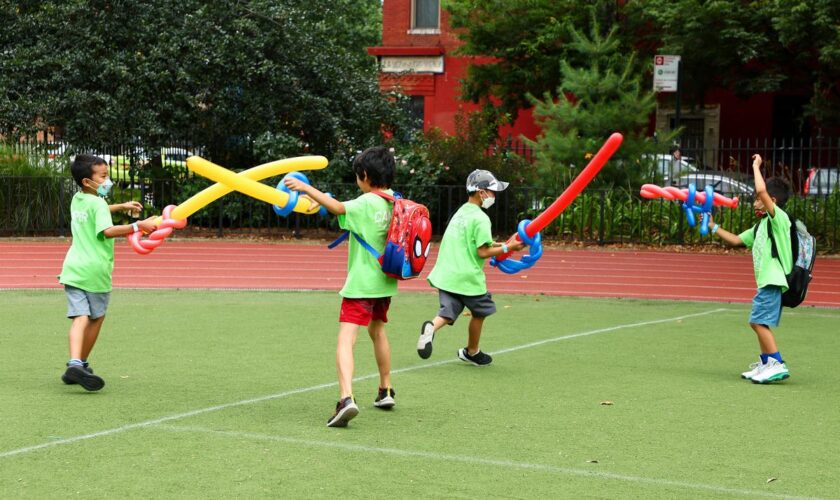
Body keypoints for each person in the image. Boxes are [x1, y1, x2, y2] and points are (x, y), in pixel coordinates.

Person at [284, 146, 398, 427]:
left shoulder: (365, 203)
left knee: (346, 338)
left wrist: (305, 189)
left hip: (362, 283)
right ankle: (385, 389)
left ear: (365, 176)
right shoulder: (394, 201)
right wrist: (322, 201)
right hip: (385, 282)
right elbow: (339, 206)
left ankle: (346, 398)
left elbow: (339, 207)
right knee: (378, 330)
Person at [58, 154, 158, 391]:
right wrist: (137, 225)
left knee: (79, 317)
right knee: (96, 317)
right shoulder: (98, 204)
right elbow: (107, 230)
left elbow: (97, 210)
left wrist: (121, 206)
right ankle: (80, 362)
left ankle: (75, 364)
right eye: (103, 177)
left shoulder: (78, 199)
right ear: (87, 181)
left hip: (73, 269)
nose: (108, 180)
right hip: (95, 272)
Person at [416, 169, 525, 366]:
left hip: (447, 275)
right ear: (480, 191)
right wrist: (508, 247)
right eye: (491, 191)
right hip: (467, 278)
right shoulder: (482, 218)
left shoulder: (461, 212)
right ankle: (472, 351)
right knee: (481, 311)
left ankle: (431, 328)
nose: (494, 195)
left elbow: (479, 243)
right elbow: (482, 251)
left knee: (448, 312)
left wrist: (505, 245)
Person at [708, 154, 792, 384]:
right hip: (767, 281)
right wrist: (714, 227)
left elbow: (763, 193)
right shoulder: (761, 226)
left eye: (757, 199)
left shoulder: (779, 218)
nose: (755, 202)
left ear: (770, 200)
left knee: (757, 322)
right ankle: (766, 362)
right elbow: (735, 240)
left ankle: (776, 362)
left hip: (773, 280)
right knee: (757, 321)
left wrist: (756, 166)